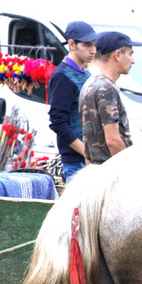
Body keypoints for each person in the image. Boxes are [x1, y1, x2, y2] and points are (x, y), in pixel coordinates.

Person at [79, 30, 142, 164]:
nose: (133, 61)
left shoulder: (90, 83)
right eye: (130, 54)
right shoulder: (106, 88)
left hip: (95, 171)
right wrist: (129, 169)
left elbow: (88, 140)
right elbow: (112, 140)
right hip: (110, 175)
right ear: (118, 55)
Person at [47, 21, 97, 182]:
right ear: (71, 44)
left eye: (94, 45)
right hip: (76, 162)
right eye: (87, 45)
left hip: (91, 160)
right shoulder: (62, 75)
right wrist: (86, 153)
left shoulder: (86, 73)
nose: (93, 50)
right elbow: (58, 122)